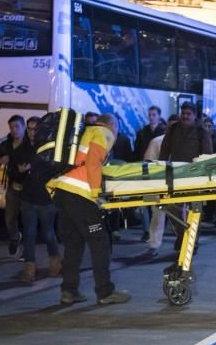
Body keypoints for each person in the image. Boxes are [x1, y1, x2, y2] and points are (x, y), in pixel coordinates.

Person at [49, 113, 130, 305]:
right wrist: (96, 193)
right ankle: (105, 292)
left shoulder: (85, 132)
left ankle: (69, 291)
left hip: (62, 191)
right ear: (112, 125)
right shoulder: (104, 133)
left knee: (73, 244)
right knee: (100, 242)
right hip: (80, 196)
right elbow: (94, 161)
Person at [139, 102, 212, 257]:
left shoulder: (201, 132)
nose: (185, 116)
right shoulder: (173, 129)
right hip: (175, 176)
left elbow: (207, 155)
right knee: (172, 208)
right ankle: (181, 235)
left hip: (194, 177)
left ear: (194, 115)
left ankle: (193, 242)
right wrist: (162, 171)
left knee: (194, 211)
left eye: (188, 114)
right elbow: (164, 151)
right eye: (183, 113)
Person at [16, 117, 61, 283]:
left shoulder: (49, 148)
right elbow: (16, 168)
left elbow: (55, 169)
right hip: (28, 197)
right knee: (28, 234)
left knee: (48, 234)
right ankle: (29, 269)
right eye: (29, 129)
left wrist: (31, 167)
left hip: (45, 199)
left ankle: (55, 260)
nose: (32, 132)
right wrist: (19, 173)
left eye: (35, 129)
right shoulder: (24, 147)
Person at [0, 115, 29, 256]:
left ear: (24, 126)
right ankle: (15, 237)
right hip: (13, 186)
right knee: (9, 218)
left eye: (17, 127)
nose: (14, 130)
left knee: (28, 219)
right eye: (11, 127)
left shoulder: (30, 144)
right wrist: (0, 160)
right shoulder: (6, 145)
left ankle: (27, 249)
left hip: (29, 187)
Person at [133, 106, 167, 242]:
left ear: (159, 116)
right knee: (145, 203)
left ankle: (154, 233)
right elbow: (137, 150)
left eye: (154, 114)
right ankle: (147, 230)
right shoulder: (143, 132)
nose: (151, 117)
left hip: (158, 172)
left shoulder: (163, 132)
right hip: (145, 170)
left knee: (156, 206)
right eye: (150, 115)